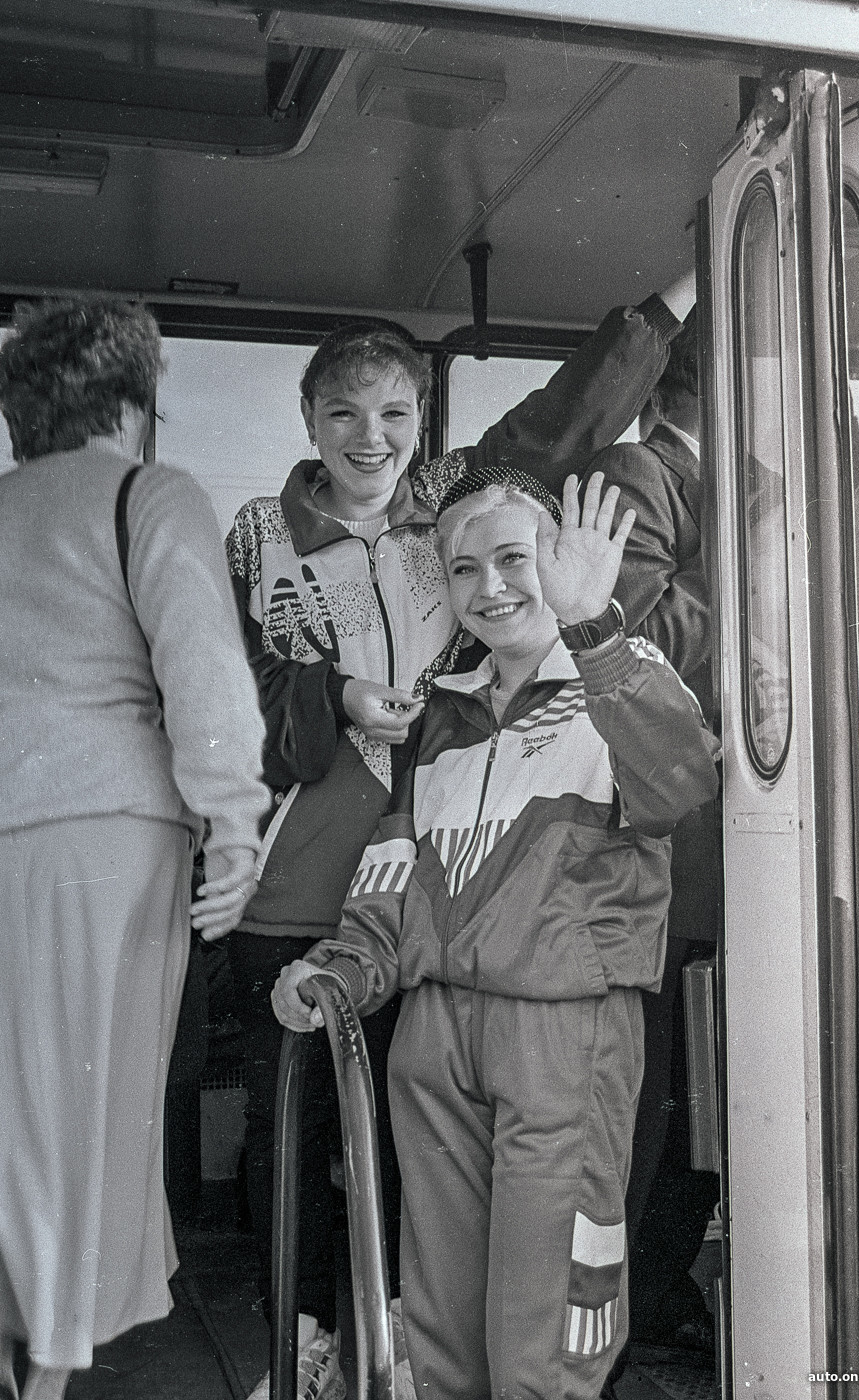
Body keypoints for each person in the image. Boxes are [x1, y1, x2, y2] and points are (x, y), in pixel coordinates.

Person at [224, 284, 694, 1399]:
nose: (489, 589)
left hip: (560, 1038)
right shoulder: (441, 721)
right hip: (434, 1039)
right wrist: (343, 967)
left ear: (563, 561)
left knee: (545, 1335)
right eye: (466, 570)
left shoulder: (617, 679)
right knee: (434, 1328)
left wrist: (593, 624)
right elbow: (391, 882)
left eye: (516, 562)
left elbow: (679, 781)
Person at [0, 298, 268, 1400]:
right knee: (91, 1099)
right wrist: (235, 823)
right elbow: (202, 669)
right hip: (108, 835)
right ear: (129, 405)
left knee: (13, 1098)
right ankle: (52, 1357)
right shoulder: (149, 495)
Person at [584, 309, 722, 1365]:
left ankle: (656, 1289)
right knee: (652, 1104)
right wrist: (748, 569)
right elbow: (640, 637)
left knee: (687, 1097)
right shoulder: (641, 473)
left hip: (716, 850)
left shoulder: (713, 485)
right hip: (673, 850)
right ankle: (614, 1324)